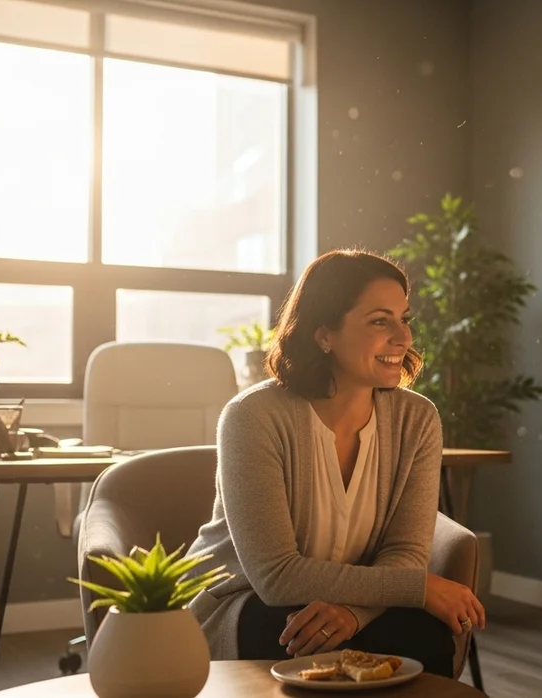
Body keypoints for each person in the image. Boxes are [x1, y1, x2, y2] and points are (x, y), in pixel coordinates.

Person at [185, 249, 485, 677]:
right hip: (247, 600)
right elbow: (277, 577)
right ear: (324, 334)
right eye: (380, 321)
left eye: (404, 319)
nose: (402, 337)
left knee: (425, 636)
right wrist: (420, 588)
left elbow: (406, 551)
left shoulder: (417, 418)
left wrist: (353, 612)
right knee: (290, 634)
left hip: (355, 601)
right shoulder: (252, 416)